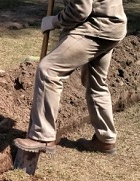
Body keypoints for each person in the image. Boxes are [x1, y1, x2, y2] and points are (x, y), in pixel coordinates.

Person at [14, 0, 127, 154]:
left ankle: (42, 137)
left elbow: (80, 10)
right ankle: (105, 139)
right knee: (95, 81)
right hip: (113, 26)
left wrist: (54, 21)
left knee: (49, 69)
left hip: (96, 27)